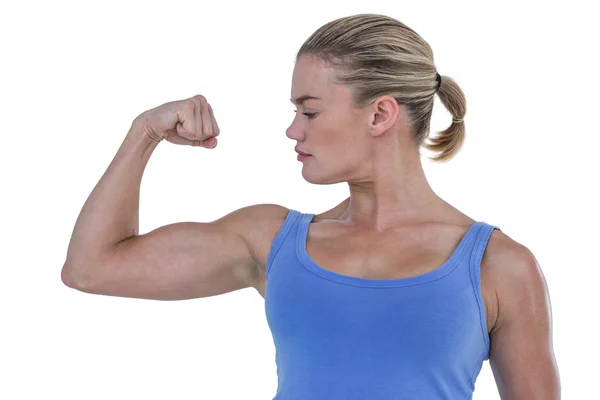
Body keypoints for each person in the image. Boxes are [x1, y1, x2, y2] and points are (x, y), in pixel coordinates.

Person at [61, 13, 560, 400]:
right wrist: (143, 132)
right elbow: (91, 268)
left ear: (381, 114)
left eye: (310, 110)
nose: (294, 130)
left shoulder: (499, 267)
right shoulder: (271, 241)